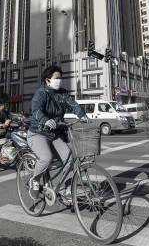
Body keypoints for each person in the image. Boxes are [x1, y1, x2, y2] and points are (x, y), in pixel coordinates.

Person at [27, 65, 87, 199]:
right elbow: (36, 110)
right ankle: (35, 180)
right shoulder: (41, 93)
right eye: (56, 78)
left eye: (61, 78)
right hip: (38, 133)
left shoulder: (62, 93)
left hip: (54, 134)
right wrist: (45, 120)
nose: (59, 81)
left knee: (70, 159)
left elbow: (73, 104)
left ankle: (67, 189)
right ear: (47, 80)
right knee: (46, 158)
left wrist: (82, 115)